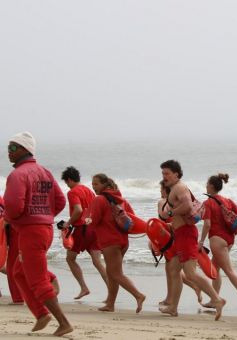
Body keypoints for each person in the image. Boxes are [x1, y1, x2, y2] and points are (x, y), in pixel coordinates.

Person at [3, 132, 72, 336]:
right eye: (9, 147)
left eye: (14, 148)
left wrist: (10, 218)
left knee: (36, 279)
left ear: (26, 150)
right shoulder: (45, 172)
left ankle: (63, 322)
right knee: (18, 272)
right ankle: (41, 314)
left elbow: (14, 207)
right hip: (45, 230)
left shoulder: (17, 175)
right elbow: (59, 201)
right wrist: (44, 215)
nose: (9, 151)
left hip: (30, 232)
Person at [158, 160, 225, 319]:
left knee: (190, 273)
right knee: (174, 270)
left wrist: (170, 213)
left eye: (167, 173)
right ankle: (173, 307)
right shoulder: (175, 187)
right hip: (180, 234)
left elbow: (187, 206)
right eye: (163, 173)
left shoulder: (179, 187)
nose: (164, 176)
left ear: (176, 174)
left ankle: (216, 299)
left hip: (187, 233)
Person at [88, 173, 146, 313]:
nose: (93, 186)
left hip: (110, 241)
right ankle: (110, 304)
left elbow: (93, 221)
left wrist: (86, 219)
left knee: (116, 274)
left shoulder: (99, 199)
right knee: (111, 272)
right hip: (122, 241)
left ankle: (138, 295)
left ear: (104, 184)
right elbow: (131, 219)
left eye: (96, 184)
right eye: (92, 184)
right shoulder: (121, 200)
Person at [200, 173, 237, 316]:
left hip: (217, 240)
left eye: (207, 184)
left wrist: (201, 241)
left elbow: (207, 225)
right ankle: (214, 299)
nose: (205, 186)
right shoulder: (228, 201)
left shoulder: (208, 203)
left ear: (211, 186)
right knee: (215, 269)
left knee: (229, 271)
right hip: (229, 239)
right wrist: (232, 233)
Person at [60, 166, 108, 300]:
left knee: (70, 259)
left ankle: (84, 287)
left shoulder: (73, 192)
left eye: (66, 183)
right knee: (97, 261)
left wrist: (68, 223)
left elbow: (78, 210)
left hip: (82, 229)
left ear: (69, 180)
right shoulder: (89, 190)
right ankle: (111, 290)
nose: (67, 186)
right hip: (93, 228)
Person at [156, 181, 202, 308]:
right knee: (173, 269)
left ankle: (192, 288)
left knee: (174, 269)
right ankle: (170, 299)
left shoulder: (162, 202)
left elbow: (161, 220)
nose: (160, 191)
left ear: (166, 190)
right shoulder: (178, 203)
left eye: (161, 189)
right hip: (179, 234)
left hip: (170, 236)